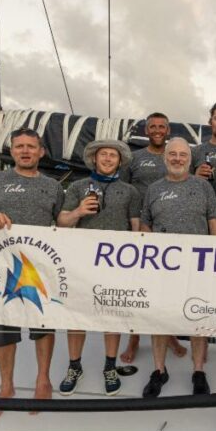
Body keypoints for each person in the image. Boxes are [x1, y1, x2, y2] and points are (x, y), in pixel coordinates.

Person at [0, 127, 64, 421]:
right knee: (3, 327)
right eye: (20, 147)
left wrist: (77, 212)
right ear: (12, 151)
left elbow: (62, 222)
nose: (26, 151)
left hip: (41, 266)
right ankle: (7, 386)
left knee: (44, 322)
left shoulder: (54, 186)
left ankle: (43, 380)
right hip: (1, 265)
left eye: (32, 146)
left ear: (41, 152)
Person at [56, 139, 142, 397]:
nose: (107, 159)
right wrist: (79, 211)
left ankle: (110, 367)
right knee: (76, 316)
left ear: (120, 160)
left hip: (117, 264)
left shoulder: (130, 191)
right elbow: (61, 222)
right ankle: (74, 366)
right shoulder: (78, 186)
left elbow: (135, 227)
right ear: (94, 158)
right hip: (82, 261)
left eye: (112, 156)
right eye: (103, 154)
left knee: (112, 314)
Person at [139, 137, 216, 396]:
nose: (177, 159)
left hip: (197, 267)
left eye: (182, 155)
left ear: (189, 159)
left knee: (198, 317)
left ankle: (198, 370)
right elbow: (145, 225)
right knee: (160, 319)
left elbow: (214, 224)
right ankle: (159, 371)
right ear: (165, 158)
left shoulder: (204, 187)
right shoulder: (153, 189)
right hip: (162, 269)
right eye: (172, 154)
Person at [120, 111, 186, 364]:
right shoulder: (135, 158)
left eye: (162, 126)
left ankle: (168, 335)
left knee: (167, 290)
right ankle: (134, 339)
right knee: (138, 288)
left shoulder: (178, 154)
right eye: (153, 126)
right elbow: (124, 190)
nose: (157, 130)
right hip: (141, 229)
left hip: (170, 231)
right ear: (146, 131)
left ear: (168, 131)